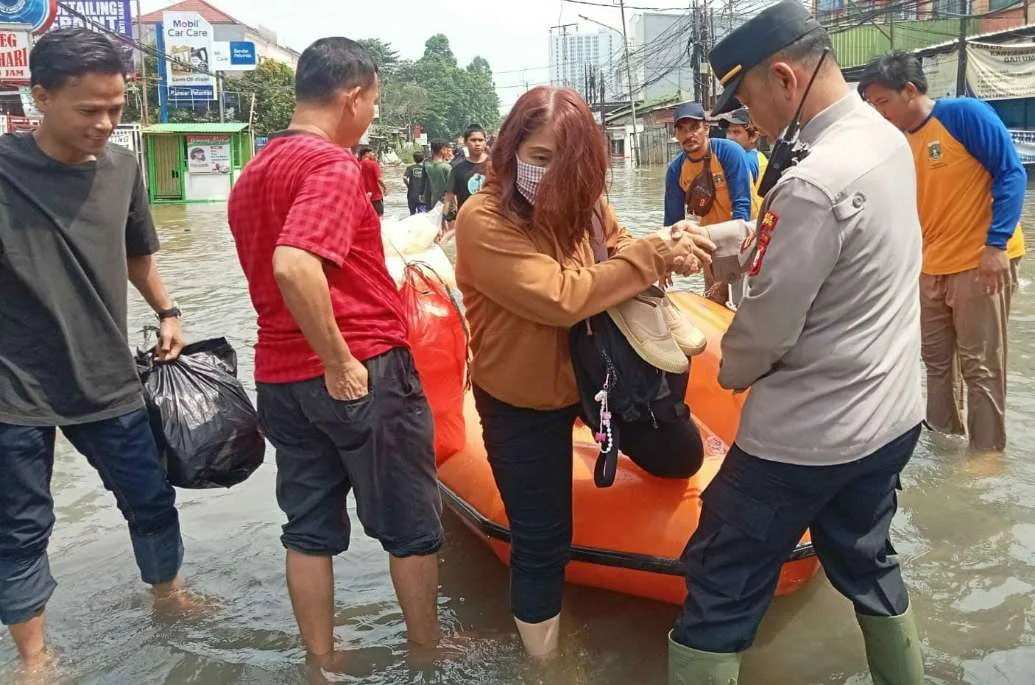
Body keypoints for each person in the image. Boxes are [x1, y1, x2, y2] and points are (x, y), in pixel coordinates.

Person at [668, 3, 926, 684]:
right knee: (866, 561)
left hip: (804, 439)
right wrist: (719, 242)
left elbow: (762, 334)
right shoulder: (881, 138)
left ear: (784, 77)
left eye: (748, 99)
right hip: (889, 416)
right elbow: (817, 252)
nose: (750, 120)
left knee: (719, 582)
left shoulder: (812, 181)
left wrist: (721, 366)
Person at [455, 85, 715, 660]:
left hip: (602, 378)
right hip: (522, 399)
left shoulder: (588, 203)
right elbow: (561, 297)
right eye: (538, 157)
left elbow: (620, 247)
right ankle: (547, 667)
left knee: (683, 457)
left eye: (565, 161)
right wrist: (651, 255)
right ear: (510, 149)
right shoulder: (483, 218)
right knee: (542, 543)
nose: (550, 173)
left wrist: (671, 248)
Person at [227, 37, 443, 671]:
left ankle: (321, 663)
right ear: (352, 97)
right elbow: (294, 264)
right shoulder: (331, 165)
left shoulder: (252, 174)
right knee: (411, 526)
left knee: (307, 530)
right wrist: (339, 360)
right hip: (358, 368)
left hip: (279, 378)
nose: (372, 114)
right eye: (373, 102)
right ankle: (427, 654)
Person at [0, 28, 189, 670]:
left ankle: (169, 597)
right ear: (41, 97)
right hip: (13, 388)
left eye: (115, 108)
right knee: (21, 527)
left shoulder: (123, 168)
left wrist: (168, 311)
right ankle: (33, 659)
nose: (105, 124)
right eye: (89, 110)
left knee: (151, 500)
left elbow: (137, 254)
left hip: (107, 375)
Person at [859, 52, 1026, 455]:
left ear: (909, 90)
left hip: (979, 260)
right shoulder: (893, 142)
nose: (879, 114)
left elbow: (1011, 173)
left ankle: (986, 456)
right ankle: (943, 446)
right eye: (872, 106)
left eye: (883, 102)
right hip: (929, 265)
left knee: (980, 364)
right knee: (935, 362)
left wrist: (996, 245)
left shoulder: (963, 115)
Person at [663, 102, 753, 306]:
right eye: (682, 129)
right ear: (676, 134)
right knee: (713, 300)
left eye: (694, 127)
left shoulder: (729, 152)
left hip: (748, 238)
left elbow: (742, 205)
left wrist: (734, 258)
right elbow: (673, 223)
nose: (689, 135)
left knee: (746, 304)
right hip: (711, 241)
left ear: (706, 128)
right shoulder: (676, 170)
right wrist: (666, 260)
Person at [715, 106, 768, 217]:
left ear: (753, 137)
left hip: (743, 222)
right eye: (728, 132)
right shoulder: (760, 157)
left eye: (737, 132)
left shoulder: (743, 160)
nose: (730, 137)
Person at [445, 124, 489, 217]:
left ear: (485, 142)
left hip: (490, 219)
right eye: (473, 140)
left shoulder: (495, 166)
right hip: (466, 219)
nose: (477, 143)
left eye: (481, 140)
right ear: (465, 142)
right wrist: (443, 218)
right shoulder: (457, 169)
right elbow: (449, 195)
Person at [422, 139, 453, 209]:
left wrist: (422, 195)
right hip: (444, 203)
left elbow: (423, 183)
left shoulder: (426, 165)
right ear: (442, 150)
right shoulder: (447, 167)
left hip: (431, 201)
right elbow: (451, 188)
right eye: (446, 149)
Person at [358, 146, 386, 216]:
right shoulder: (373, 164)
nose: (373, 154)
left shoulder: (357, 164)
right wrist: (385, 188)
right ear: (366, 154)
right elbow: (379, 179)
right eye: (372, 153)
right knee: (379, 216)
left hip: (362, 198)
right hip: (375, 196)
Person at [403, 150, 427, 215]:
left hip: (412, 194)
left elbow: (404, 178)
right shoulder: (426, 168)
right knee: (422, 214)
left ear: (414, 159)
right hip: (423, 195)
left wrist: (408, 186)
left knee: (412, 213)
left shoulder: (410, 168)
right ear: (423, 158)